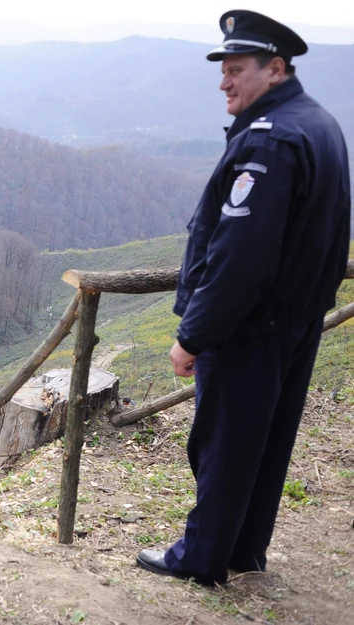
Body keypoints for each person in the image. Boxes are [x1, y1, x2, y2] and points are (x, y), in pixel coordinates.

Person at [136, 10, 351, 588]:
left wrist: (193, 334)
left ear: (275, 69)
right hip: (298, 319)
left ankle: (201, 558)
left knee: (225, 442)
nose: (225, 81)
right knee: (266, 438)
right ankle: (243, 548)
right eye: (223, 69)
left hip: (252, 325)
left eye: (237, 69)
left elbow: (241, 258)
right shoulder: (319, 123)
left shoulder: (270, 142)